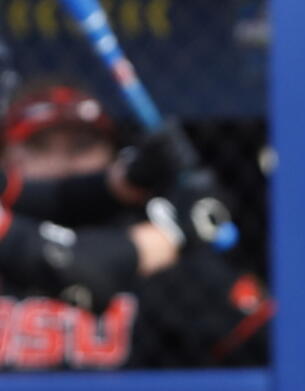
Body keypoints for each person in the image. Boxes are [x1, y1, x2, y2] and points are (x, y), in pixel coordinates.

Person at [0, 75, 271, 368]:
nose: (63, 163)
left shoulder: (172, 273)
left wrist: (125, 182)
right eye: (40, 147)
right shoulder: (145, 251)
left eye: (81, 147)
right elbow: (73, 266)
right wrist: (177, 230)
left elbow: (272, 343)